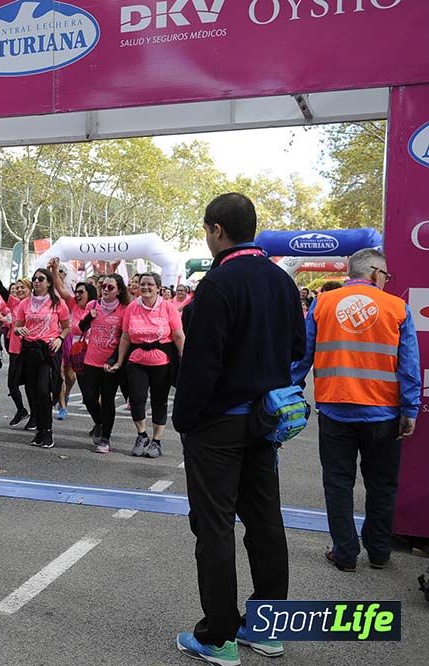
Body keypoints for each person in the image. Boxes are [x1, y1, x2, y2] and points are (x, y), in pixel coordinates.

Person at [173, 193, 304, 663]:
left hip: (218, 425)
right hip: (266, 420)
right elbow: (295, 348)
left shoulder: (217, 283)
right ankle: (267, 628)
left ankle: (218, 637)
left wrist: (184, 420)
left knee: (215, 528)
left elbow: (201, 365)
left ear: (215, 230)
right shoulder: (282, 281)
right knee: (266, 521)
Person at [291, 249, 419, 573]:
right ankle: (378, 552)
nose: (387, 281)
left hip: (336, 410)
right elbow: (409, 364)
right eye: (387, 276)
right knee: (382, 485)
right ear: (375, 272)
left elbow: (302, 356)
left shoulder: (324, 304)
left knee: (337, 484)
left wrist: (290, 391)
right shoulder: (397, 308)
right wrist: (410, 408)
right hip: (384, 415)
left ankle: (345, 553)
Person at [108, 272, 184, 458]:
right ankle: (141, 435)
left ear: (158, 287)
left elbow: (178, 336)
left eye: (150, 284)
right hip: (136, 361)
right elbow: (125, 337)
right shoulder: (132, 307)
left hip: (162, 362)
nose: (145, 287)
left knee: (159, 401)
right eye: (143, 284)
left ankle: (156, 441)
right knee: (136, 399)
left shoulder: (168, 308)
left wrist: (186, 360)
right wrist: (119, 361)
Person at [14, 267, 69, 449]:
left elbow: (67, 327)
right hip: (29, 350)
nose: (37, 282)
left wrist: (60, 339)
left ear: (49, 282)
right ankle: (39, 430)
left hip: (47, 351)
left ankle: (48, 432)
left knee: (44, 390)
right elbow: (18, 326)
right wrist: (18, 330)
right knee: (33, 392)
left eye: (41, 279)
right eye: (35, 279)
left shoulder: (58, 303)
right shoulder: (24, 304)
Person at [78, 274, 130, 453]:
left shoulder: (125, 309)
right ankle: (99, 422)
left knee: (108, 400)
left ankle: (105, 439)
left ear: (119, 290)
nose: (105, 290)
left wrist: (114, 360)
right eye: (103, 286)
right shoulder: (93, 305)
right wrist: (88, 318)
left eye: (110, 287)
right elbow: (81, 328)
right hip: (91, 359)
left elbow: (125, 338)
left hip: (111, 363)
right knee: (89, 397)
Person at [51, 259, 97, 423]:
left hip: (89, 349)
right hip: (69, 342)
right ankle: (62, 406)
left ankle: (97, 419)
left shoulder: (97, 307)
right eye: (76, 292)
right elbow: (60, 287)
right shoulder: (71, 304)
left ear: (89, 293)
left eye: (81, 292)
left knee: (73, 378)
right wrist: (55, 270)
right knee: (62, 375)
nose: (77, 295)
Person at [0, 274, 33, 427]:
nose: (19, 289)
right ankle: (21, 410)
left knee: (31, 386)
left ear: (31, 289)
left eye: (23, 287)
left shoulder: (36, 306)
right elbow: (2, 289)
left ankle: (34, 416)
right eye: (17, 287)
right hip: (15, 351)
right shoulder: (15, 303)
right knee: (12, 385)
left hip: (31, 351)